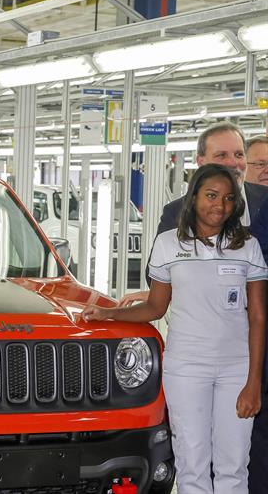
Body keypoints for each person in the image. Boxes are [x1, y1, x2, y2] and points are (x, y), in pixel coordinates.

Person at [82, 164, 266, 494]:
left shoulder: (247, 246)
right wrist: (109, 314)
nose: (219, 205)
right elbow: (155, 307)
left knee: (234, 465)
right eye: (211, 196)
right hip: (186, 368)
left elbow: (258, 318)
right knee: (191, 462)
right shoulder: (168, 244)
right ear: (193, 197)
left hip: (236, 368)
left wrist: (253, 382)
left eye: (227, 198)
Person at [122, 122, 268, 304]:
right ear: (201, 162)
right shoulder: (177, 211)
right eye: (221, 155)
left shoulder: (265, 200)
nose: (233, 163)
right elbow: (156, 276)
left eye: (239, 154)